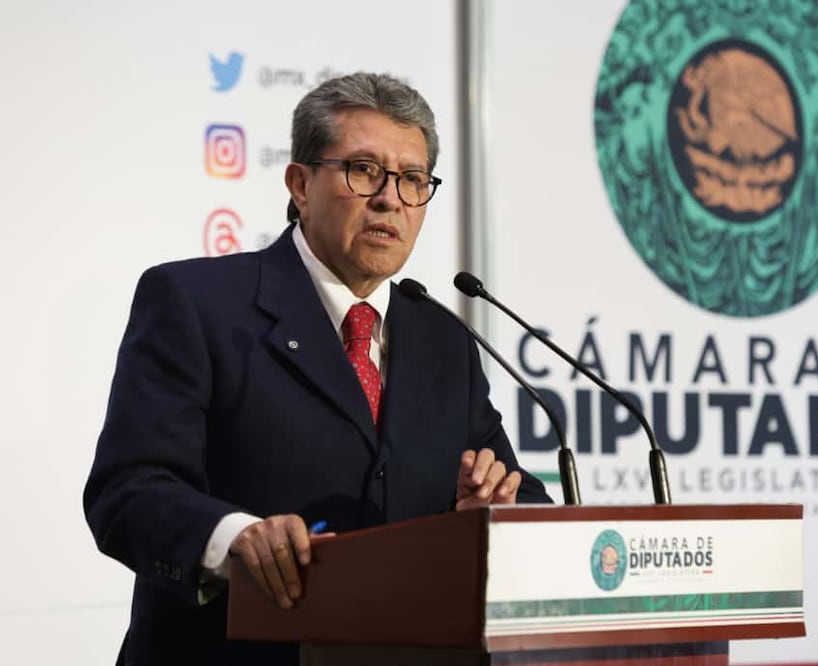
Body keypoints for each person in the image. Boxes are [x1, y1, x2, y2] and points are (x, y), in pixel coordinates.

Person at [83, 71, 551, 665]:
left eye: (411, 180)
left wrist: (492, 517)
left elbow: (520, 495)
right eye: (363, 170)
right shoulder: (197, 303)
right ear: (300, 185)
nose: (390, 199)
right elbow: (128, 492)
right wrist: (235, 540)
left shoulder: (442, 337)